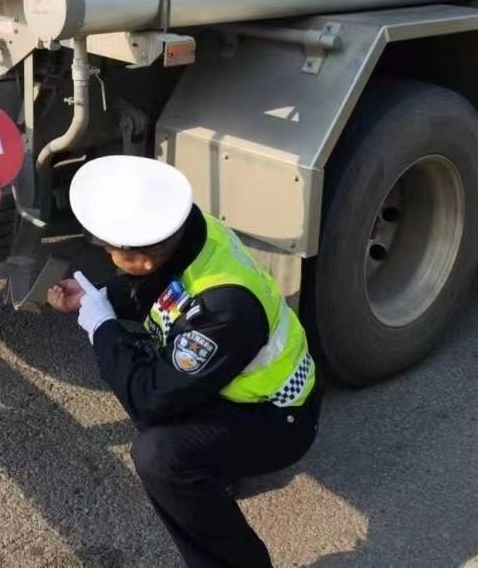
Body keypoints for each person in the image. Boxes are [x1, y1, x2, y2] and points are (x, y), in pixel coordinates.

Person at [48, 155, 320, 568]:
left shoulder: (224, 308)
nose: (107, 252)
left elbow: (148, 399)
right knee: (149, 374)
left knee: (161, 456)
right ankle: (216, 474)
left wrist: (101, 326)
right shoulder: (191, 231)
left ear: (144, 259)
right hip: (242, 390)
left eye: (110, 248)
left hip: (281, 418)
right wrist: (99, 297)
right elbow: (164, 291)